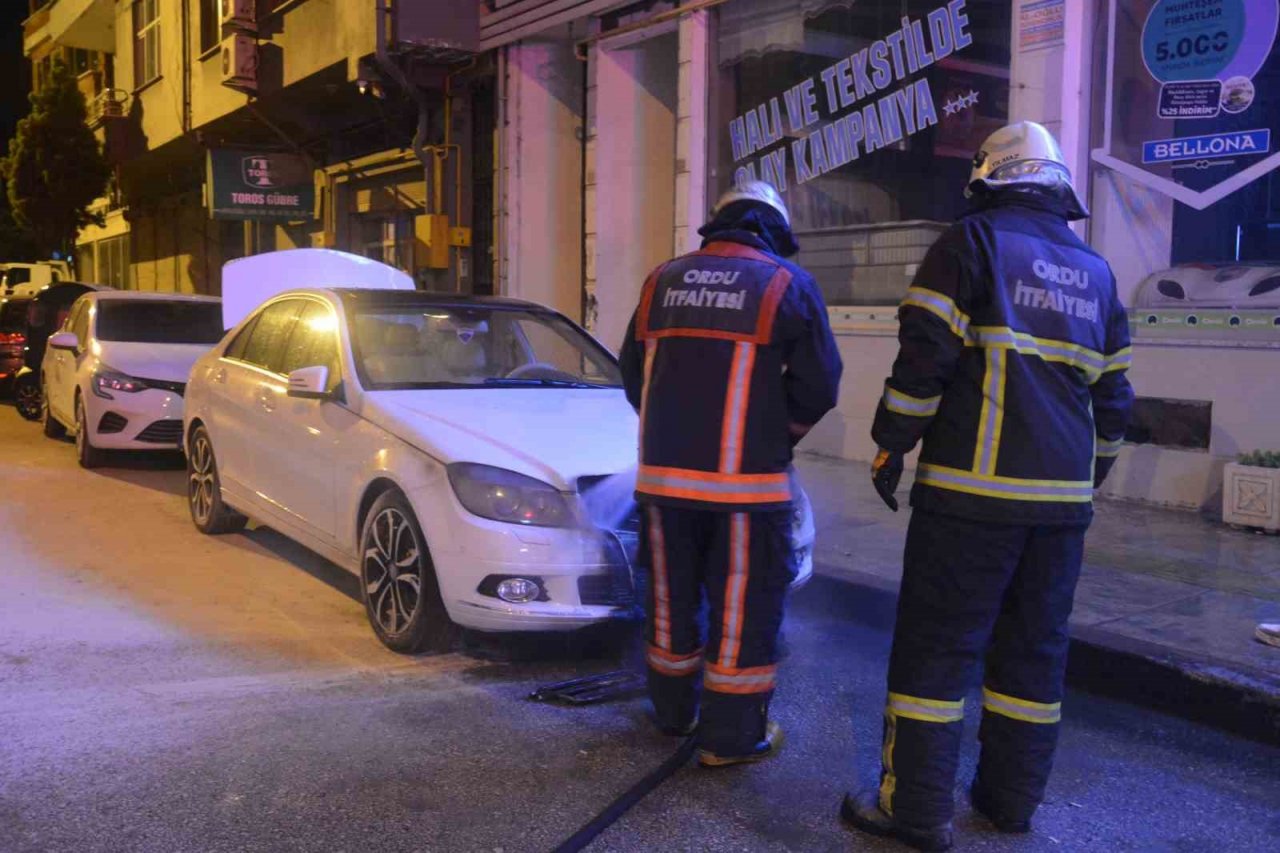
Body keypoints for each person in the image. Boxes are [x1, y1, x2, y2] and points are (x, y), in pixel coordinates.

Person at [840, 122, 1135, 851]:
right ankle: (1009, 805)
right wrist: (1085, 476)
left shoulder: (968, 245)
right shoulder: (1096, 272)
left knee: (936, 654)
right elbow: (1116, 400)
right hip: (1061, 511)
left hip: (970, 502)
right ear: (1055, 183)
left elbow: (924, 364)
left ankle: (914, 811)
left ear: (988, 178)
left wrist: (890, 445)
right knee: (1033, 657)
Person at [618, 180, 842, 766]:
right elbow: (820, 386)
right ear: (773, 232)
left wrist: (672, 432)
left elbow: (632, 373)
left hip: (665, 487)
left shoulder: (660, 281)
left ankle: (672, 715)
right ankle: (731, 741)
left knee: (668, 603)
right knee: (743, 612)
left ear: (717, 224)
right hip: (748, 490)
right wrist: (774, 436)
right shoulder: (786, 284)